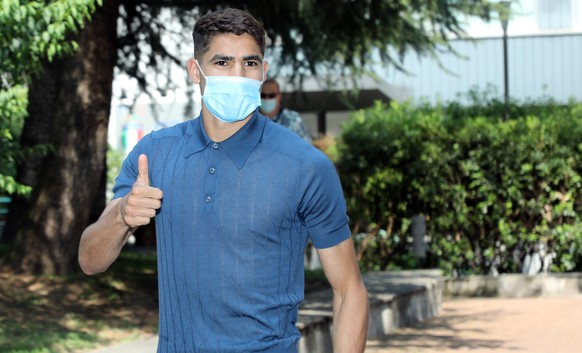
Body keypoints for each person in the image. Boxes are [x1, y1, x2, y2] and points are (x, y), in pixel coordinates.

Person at [78, 8, 368, 353]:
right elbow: (89, 260)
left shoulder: (307, 166)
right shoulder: (154, 153)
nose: (237, 75)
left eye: (249, 63)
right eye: (222, 63)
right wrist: (122, 214)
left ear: (263, 71)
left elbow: (350, 290)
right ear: (195, 71)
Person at [260, 78, 313, 143]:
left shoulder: (294, 120)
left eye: (271, 95)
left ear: (279, 96)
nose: (267, 99)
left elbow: (306, 149)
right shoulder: (251, 121)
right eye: (263, 95)